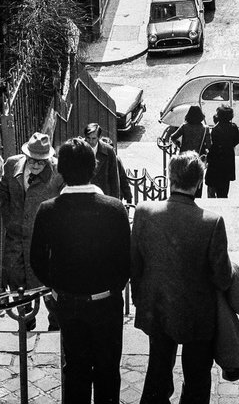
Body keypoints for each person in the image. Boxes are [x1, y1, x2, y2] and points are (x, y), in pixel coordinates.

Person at [30, 136, 130, 404]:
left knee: (75, 371)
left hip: (69, 303)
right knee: (108, 371)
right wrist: (111, 288)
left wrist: (58, 286)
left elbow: (37, 261)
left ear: (60, 170)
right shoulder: (115, 209)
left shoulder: (47, 210)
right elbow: (125, 262)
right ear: (94, 167)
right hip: (106, 302)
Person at [131, 152, 233, 404]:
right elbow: (222, 278)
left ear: (169, 177)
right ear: (199, 183)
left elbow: (135, 265)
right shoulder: (212, 222)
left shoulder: (143, 212)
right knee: (197, 377)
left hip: (157, 308)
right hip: (197, 314)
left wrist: (140, 300)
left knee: (158, 368)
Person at [0, 131, 61, 330]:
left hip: (43, 239)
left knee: (47, 283)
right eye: (32, 160)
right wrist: (9, 218)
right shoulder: (11, 165)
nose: (35, 165)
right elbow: (3, 194)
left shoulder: (58, 173)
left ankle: (56, 323)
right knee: (17, 278)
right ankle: (26, 320)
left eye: (41, 162)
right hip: (16, 237)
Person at [170, 104, 211, 198]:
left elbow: (173, 137)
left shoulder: (184, 127)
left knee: (184, 179)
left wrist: (178, 144)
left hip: (184, 157)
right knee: (197, 180)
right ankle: (197, 197)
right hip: (198, 159)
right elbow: (209, 145)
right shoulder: (205, 129)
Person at [205, 104, 239, 198]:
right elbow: (237, 140)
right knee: (224, 188)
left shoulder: (216, 129)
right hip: (228, 159)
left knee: (212, 185)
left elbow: (213, 143)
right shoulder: (233, 127)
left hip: (216, 159)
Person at [83, 122, 120, 198]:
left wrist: (115, 201)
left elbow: (114, 179)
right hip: (84, 197)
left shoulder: (108, 151)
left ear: (99, 138)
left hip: (103, 196)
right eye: (88, 138)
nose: (90, 141)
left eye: (93, 138)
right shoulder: (78, 149)